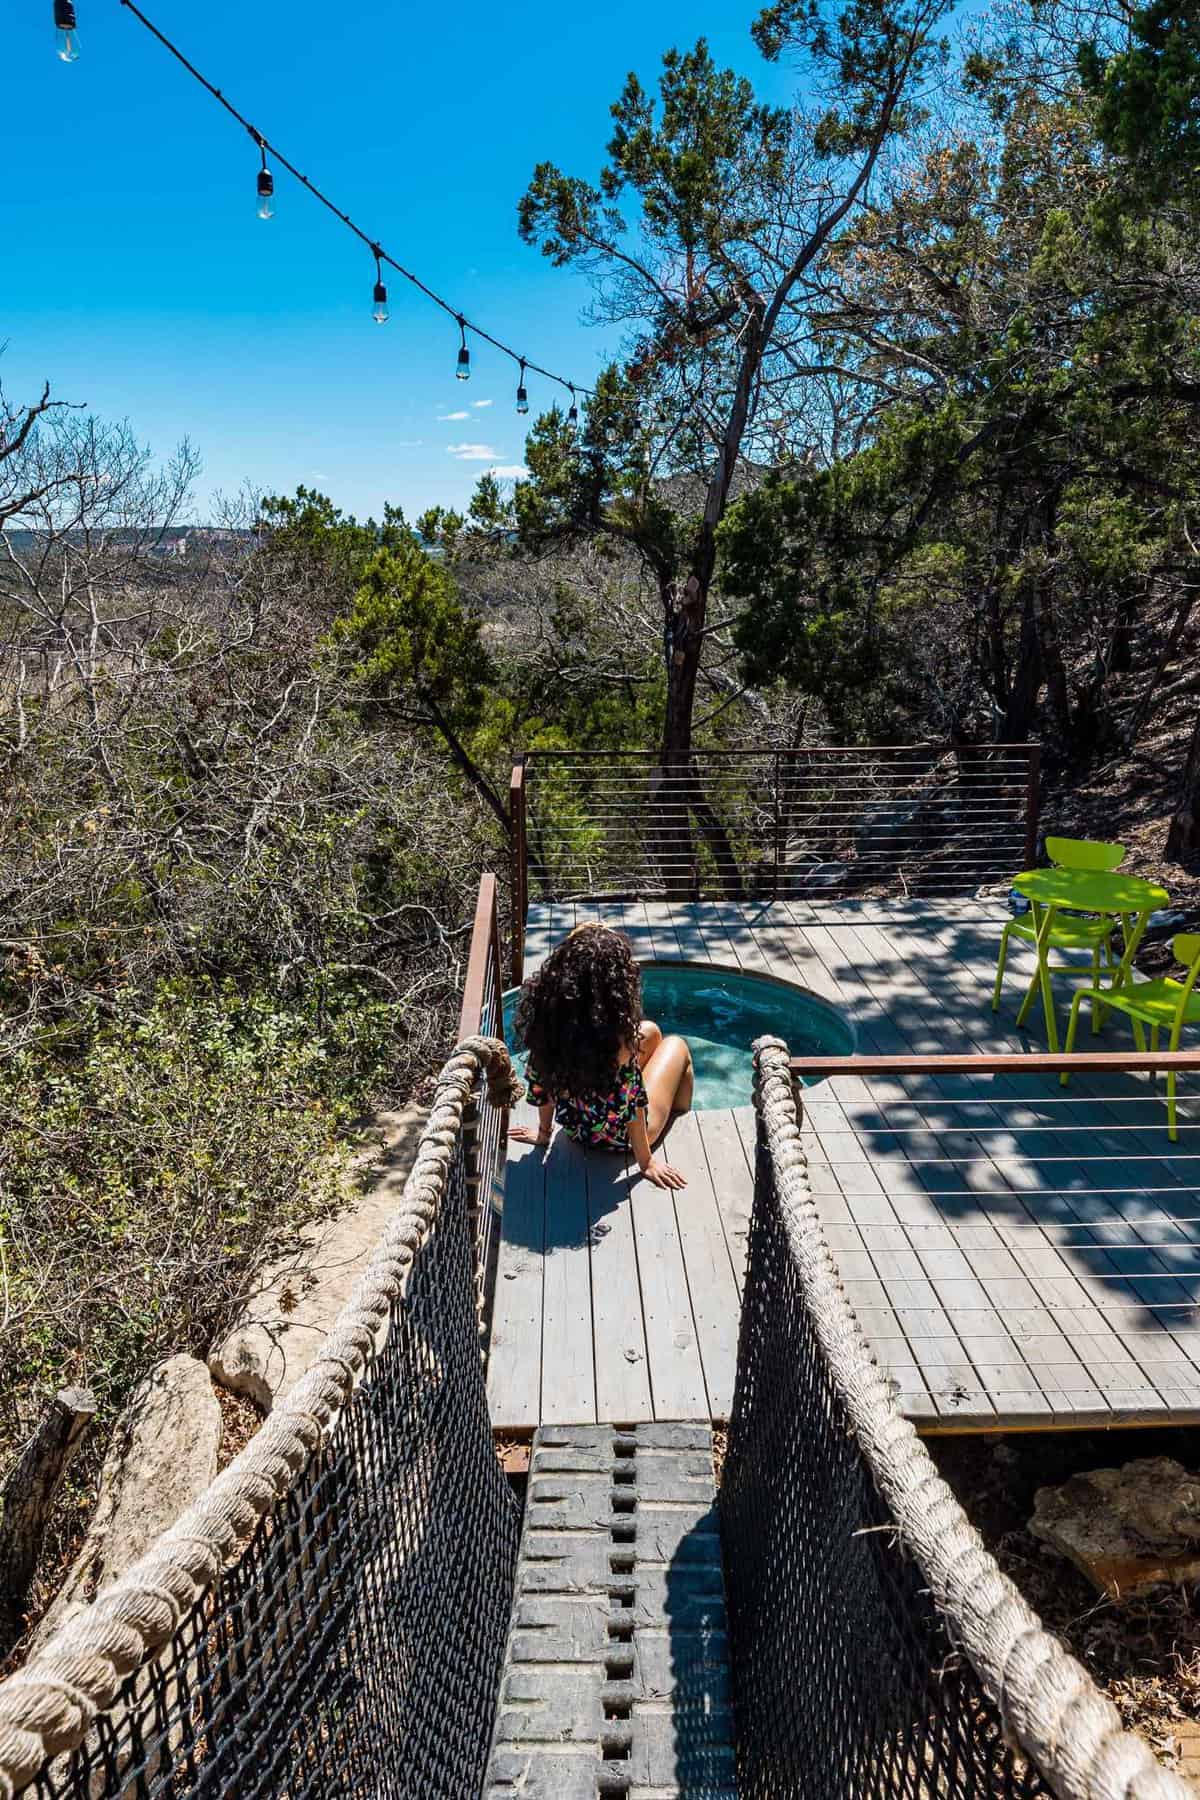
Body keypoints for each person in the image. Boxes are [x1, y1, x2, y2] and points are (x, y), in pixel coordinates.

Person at [510, 922, 693, 1190]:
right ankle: (681, 1111)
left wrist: (543, 1133)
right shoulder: (618, 1043)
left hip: (577, 1130)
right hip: (623, 1140)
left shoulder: (548, 1027)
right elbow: (633, 1106)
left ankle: (667, 1098)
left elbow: (541, 1086)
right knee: (677, 1045)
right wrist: (646, 1163)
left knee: (651, 1032)